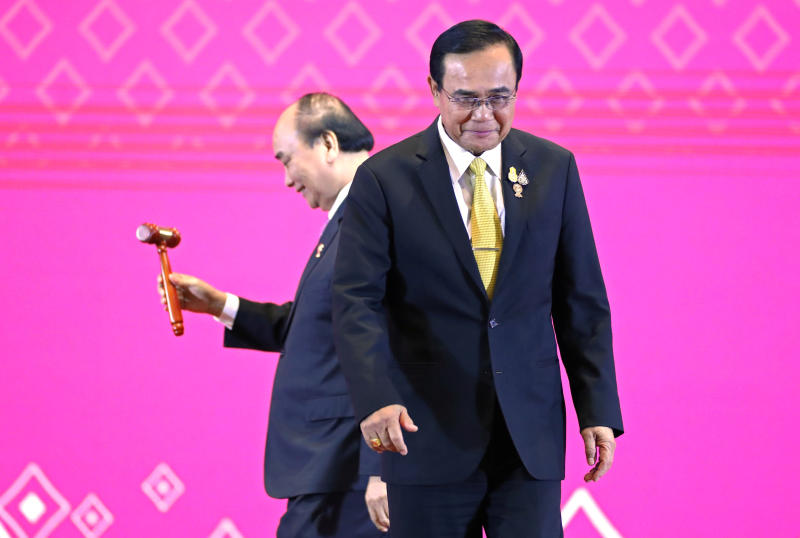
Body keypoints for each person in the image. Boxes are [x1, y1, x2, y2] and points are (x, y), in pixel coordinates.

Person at [331, 20, 624, 537]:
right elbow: (357, 303)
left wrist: (596, 407)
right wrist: (375, 398)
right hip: (423, 434)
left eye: (499, 97)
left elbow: (580, 300)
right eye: (466, 98)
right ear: (434, 90)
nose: (484, 115)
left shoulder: (554, 169)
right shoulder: (384, 178)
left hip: (527, 440)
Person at [157, 93, 389, 537]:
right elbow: (321, 328)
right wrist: (219, 305)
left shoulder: (374, 217)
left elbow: (393, 342)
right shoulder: (354, 216)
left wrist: (383, 468)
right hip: (328, 471)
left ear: (327, 143)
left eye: (287, 160)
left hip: (348, 470)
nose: (286, 179)